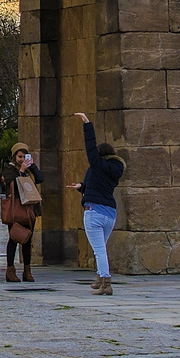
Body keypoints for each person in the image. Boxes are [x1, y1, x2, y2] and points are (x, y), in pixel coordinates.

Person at [65, 113, 125, 296]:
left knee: (99, 250)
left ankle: (106, 283)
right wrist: (82, 187)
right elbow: (99, 186)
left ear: (100, 155)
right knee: (101, 249)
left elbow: (90, 147)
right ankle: (100, 278)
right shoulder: (115, 169)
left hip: (94, 212)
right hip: (110, 214)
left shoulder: (97, 164)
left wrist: (87, 124)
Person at [0, 144, 43, 282]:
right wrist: (22, 170)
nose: (22, 159)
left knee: (27, 240)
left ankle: (27, 270)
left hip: (29, 209)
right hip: (16, 208)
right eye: (19, 156)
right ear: (14, 156)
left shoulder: (29, 169)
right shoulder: (9, 169)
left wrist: (32, 167)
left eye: (24, 156)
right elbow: (13, 184)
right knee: (14, 238)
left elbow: (40, 179)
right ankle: (10, 270)